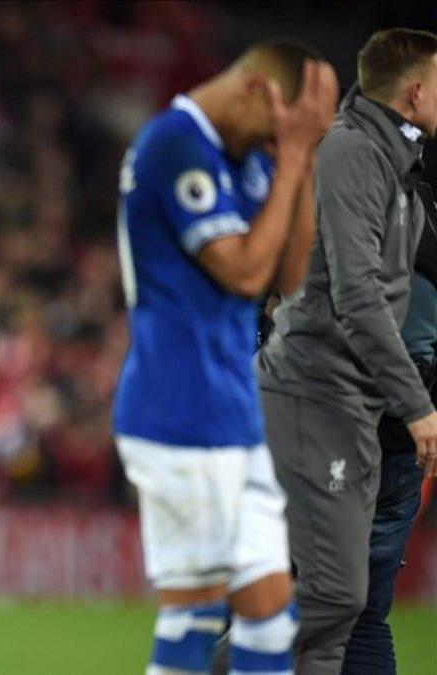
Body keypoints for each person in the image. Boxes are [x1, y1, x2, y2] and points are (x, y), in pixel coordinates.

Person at [113, 40, 336, 675]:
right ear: (254, 91)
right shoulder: (175, 144)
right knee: (195, 615)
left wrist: (306, 159)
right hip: (178, 410)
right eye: (277, 129)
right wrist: (291, 161)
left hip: (233, 415)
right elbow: (241, 272)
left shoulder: (250, 157)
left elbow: (289, 276)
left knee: (271, 619)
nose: (277, 143)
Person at [258, 28, 437, 675]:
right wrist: (418, 403)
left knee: (342, 616)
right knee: (336, 596)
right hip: (321, 396)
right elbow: (360, 295)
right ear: (416, 91)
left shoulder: (394, 169)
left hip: (359, 408)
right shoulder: (352, 155)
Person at [343, 213, 436, 674]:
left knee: (274, 600)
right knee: (363, 617)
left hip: (338, 432)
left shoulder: (350, 213)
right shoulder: (428, 225)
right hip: (407, 438)